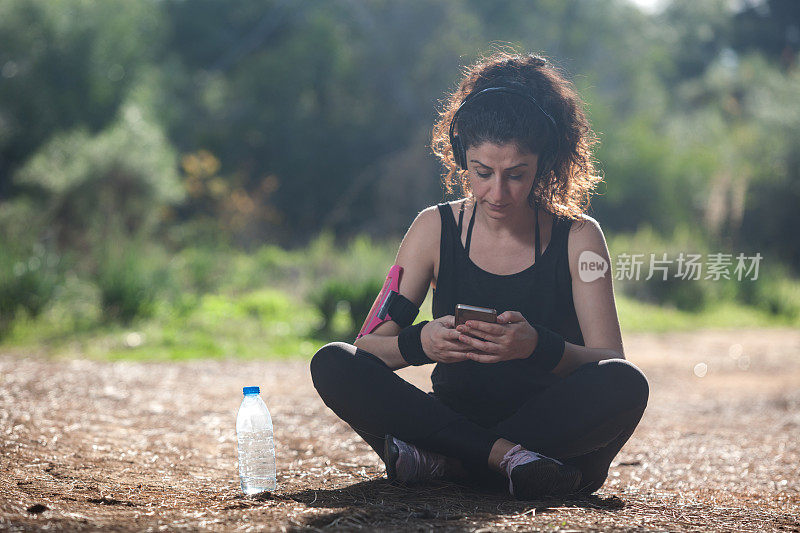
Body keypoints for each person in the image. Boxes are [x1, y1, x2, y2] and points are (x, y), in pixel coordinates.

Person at [310, 50, 649, 500]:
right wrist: (420, 343)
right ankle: (505, 464)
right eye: (482, 172)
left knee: (626, 383)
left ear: (543, 165)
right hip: (453, 423)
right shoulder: (433, 228)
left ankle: (451, 465)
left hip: (548, 433)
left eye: (516, 175)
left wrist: (537, 347)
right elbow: (369, 347)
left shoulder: (580, 237)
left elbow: (609, 358)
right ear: (460, 158)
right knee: (333, 362)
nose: (497, 192)